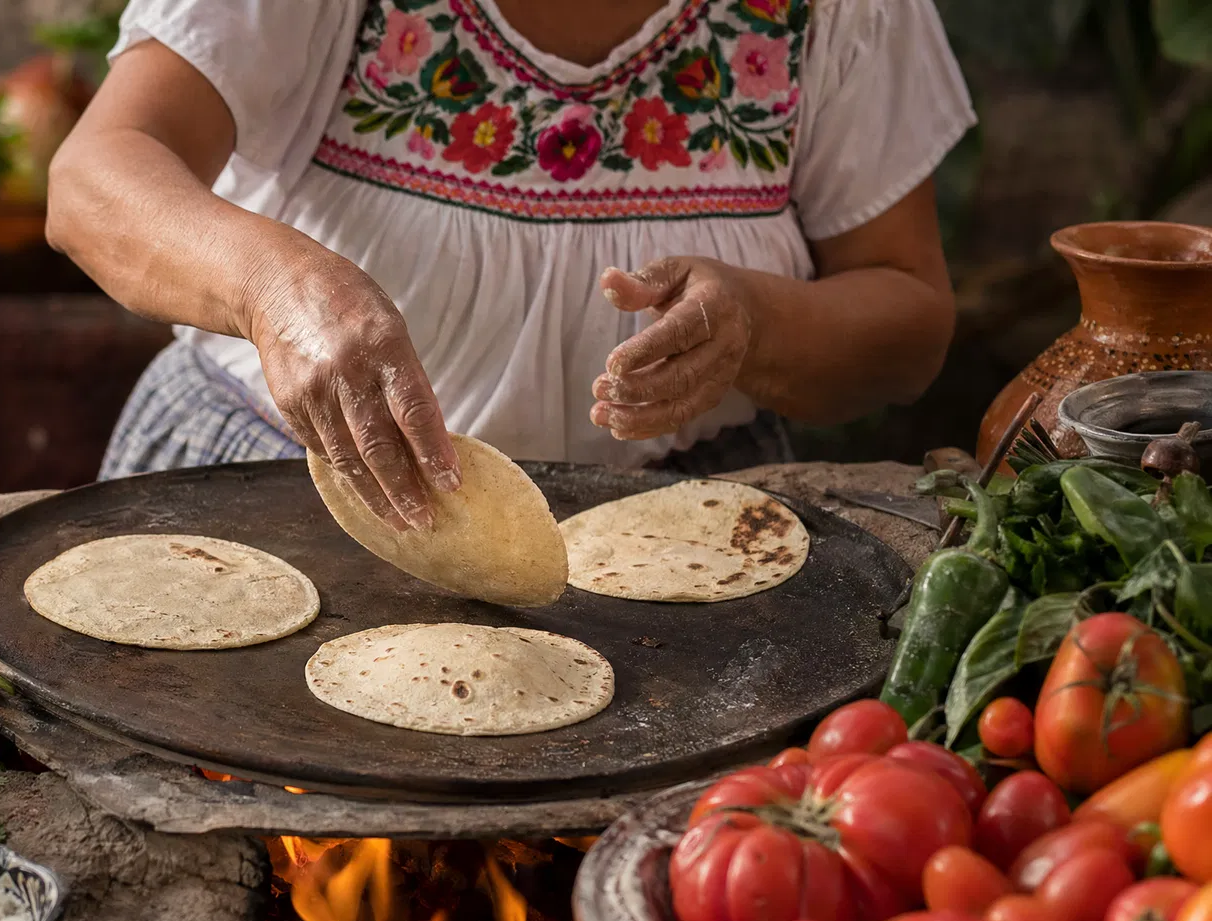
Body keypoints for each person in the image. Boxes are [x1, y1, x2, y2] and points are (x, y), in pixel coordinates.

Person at [47, 0, 973, 531]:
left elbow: (909, 315)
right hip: (272, 486)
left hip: (683, 530)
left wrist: (755, 329)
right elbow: (96, 176)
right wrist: (275, 286)